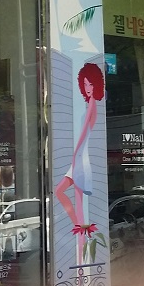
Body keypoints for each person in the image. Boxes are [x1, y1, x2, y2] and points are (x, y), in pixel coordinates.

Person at [54, 62, 105, 262]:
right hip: (79, 157)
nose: (87, 87)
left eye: (90, 83)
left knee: (75, 198)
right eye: (85, 84)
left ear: (96, 84)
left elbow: (84, 132)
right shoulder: (89, 103)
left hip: (80, 157)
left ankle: (82, 248)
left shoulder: (92, 104)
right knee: (61, 192)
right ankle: (81, 229)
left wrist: (75, 153)